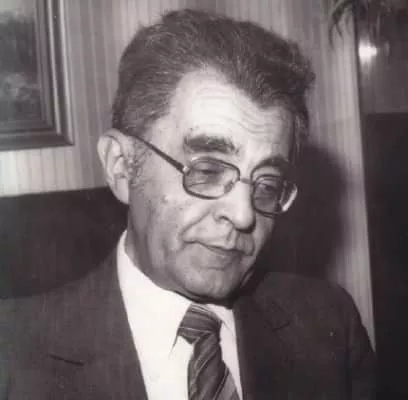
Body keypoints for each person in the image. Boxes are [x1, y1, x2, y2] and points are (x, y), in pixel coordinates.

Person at [6, 8, 375, 399]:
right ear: (121, 167)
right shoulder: (12, 355)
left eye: (267, 183)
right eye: (208, 170)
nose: (243, 214)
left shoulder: (328, 325)